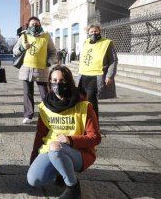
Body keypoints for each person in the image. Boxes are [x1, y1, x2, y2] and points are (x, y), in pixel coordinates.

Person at [27, 65, 101, 199]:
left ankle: (73, 187)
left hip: (78, 152)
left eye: (62, 81)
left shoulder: (84, 106)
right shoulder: (45, 107)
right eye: (54, 81)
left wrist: (71, 140)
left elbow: (95, 137)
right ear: (49, 82)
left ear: (69, 82)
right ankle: (61, 170)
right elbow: (40, 135)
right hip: (50, 150)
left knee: (56, 148)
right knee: (34, 179)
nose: (57, 84)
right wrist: (33, 158)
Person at [13, 17, 56, 124]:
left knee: (45, 93)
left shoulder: (46, 36)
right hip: (26, 69)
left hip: (42, 69)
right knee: (27, 93)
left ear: (40, 25)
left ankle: (48, 114)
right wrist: (22, 48)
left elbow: (53, 52)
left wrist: (49, 62)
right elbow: (15, 50)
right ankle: (28, 115)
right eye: (32, 24)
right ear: (28, 25)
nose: (34, 26)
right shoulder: (23, 36)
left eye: (36, 24)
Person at [77, 24, 118, 122]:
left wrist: (110, 75)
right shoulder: (85, 43)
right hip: (83, 76)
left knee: (91, 100)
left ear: (100, 31)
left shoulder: (107, 43)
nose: (93, 33)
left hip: (96, 76)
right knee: (82, 100)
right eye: (91, 32)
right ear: (88, 33)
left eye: (95, 31)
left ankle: (94, 124)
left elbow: (113, 60)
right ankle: (84, 123)